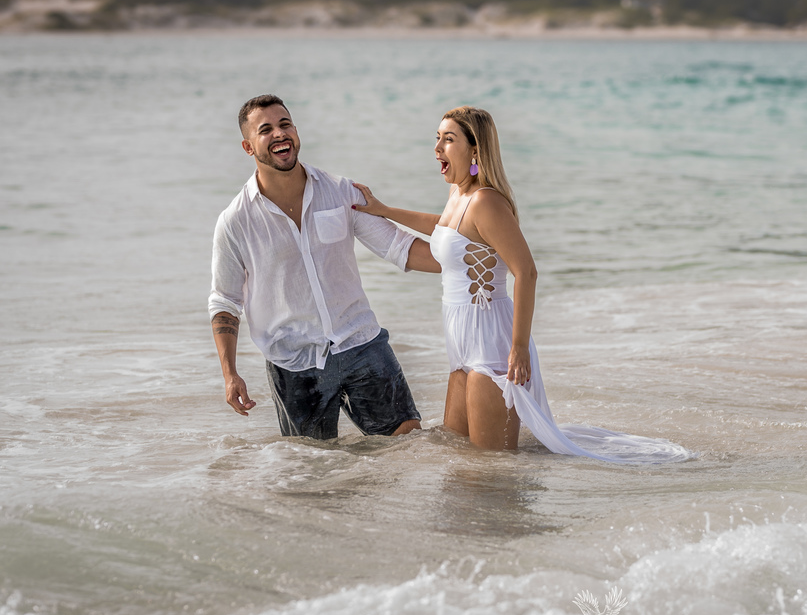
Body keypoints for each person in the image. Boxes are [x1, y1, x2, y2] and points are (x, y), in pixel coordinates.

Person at [352, 106, 691, 463]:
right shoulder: (459, 195)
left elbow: (526, 272)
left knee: (494, 468)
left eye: (448, 140)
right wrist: (384, 210)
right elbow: (444, 227)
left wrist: (518, 347)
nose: (437, 148)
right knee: (456, 457)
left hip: (491, 345)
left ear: (475, 149)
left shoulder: (486, 201)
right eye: (437, 138)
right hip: (461, 343)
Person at [208, 94, 440, 441]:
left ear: (296, 131)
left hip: (361, 344)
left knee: (408, 446)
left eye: (285, 124)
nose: (279, 134)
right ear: (248, 146)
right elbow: (225, 302)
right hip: (294, 364)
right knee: (314, 468)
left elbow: (400, 248)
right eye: (266, 130)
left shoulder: (341, 191)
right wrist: (230, 374)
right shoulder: (236, 221)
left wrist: (471, 261)